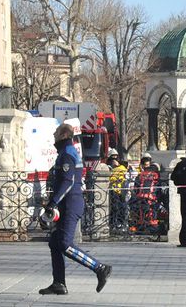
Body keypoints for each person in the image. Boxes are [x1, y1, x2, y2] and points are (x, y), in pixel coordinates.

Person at [39, 123, 112, 295]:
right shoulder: (68, 151)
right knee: (55, 243)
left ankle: (99, 268)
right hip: (68, 203)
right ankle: (59, 283)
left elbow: (67, 181)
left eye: (56, 133)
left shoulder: (67, 154)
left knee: (64, 243)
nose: (53, 136)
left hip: (70, 203)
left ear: (63, 135)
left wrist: (53, 203)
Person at [107, 152, 128, 233]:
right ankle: (113, 223)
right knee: (113, 209)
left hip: (119, 191)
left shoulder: (122, 168)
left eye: (115, 159)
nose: (114, 161)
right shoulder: (111, 169)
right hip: (113, 191)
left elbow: (116, 178)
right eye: (112, 160)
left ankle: (120, 223)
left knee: (120, 208)